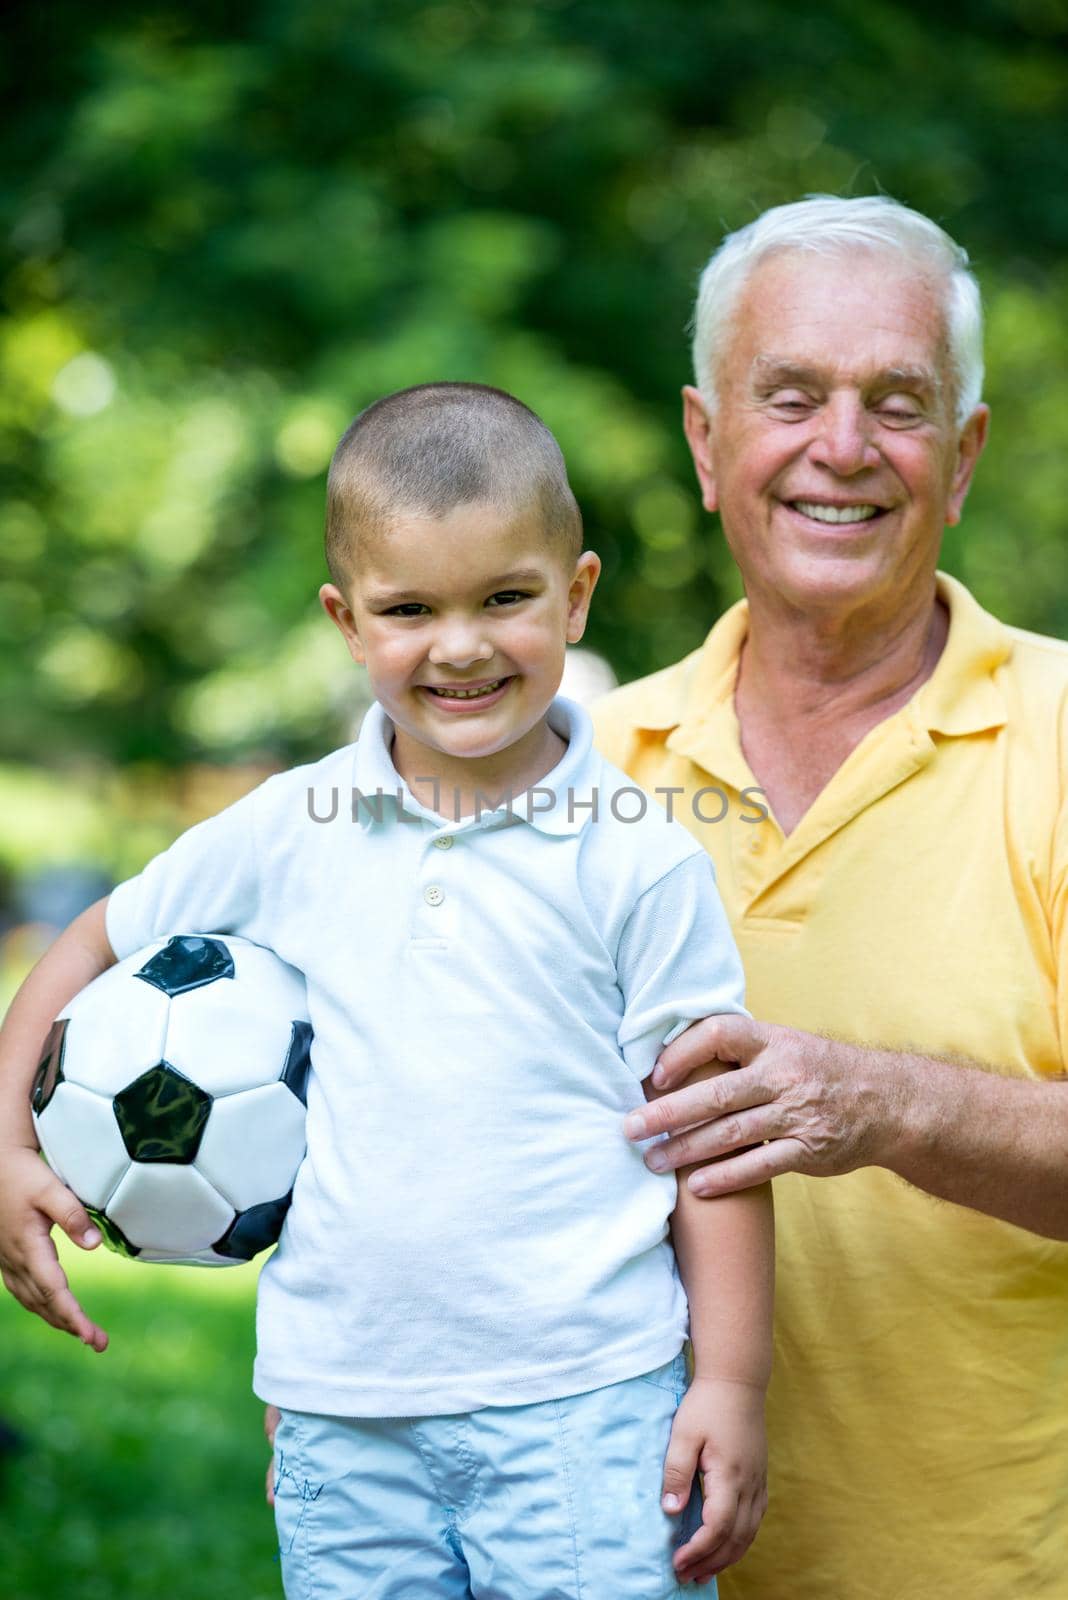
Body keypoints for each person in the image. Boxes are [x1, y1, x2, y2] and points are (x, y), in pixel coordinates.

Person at [0, 383, 774, 1596]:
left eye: (505, 598)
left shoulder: (638, 855)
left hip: (589, 1406)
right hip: (342, 1408)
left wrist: (728, 1383)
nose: (458, 645)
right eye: (409, 608)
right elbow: (86, 941)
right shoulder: (289, 825)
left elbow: (713, 1138)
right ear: (346, 622)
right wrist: (6, 1142)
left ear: (576, 593)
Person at [590, 195, 1068, 1599]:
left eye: (897, 404)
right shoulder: (581, 775)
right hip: (619, 1569)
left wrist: (884, 1105)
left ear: (964, 455)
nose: (842, 449)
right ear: (705, 439)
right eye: (789, 395)